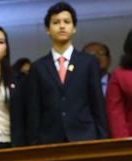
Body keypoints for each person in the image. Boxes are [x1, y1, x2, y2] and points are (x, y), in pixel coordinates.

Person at [24, 2, 108, 145]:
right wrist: (34, 142)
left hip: (85, 136)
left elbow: (97, 104)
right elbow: (34, 111)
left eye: (67, 22)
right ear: (47, 29)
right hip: (49, 140)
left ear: (74, 28)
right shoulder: (38, 67)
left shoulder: (88, 62)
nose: (62, 26)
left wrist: (103, 137)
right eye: (56, 22)